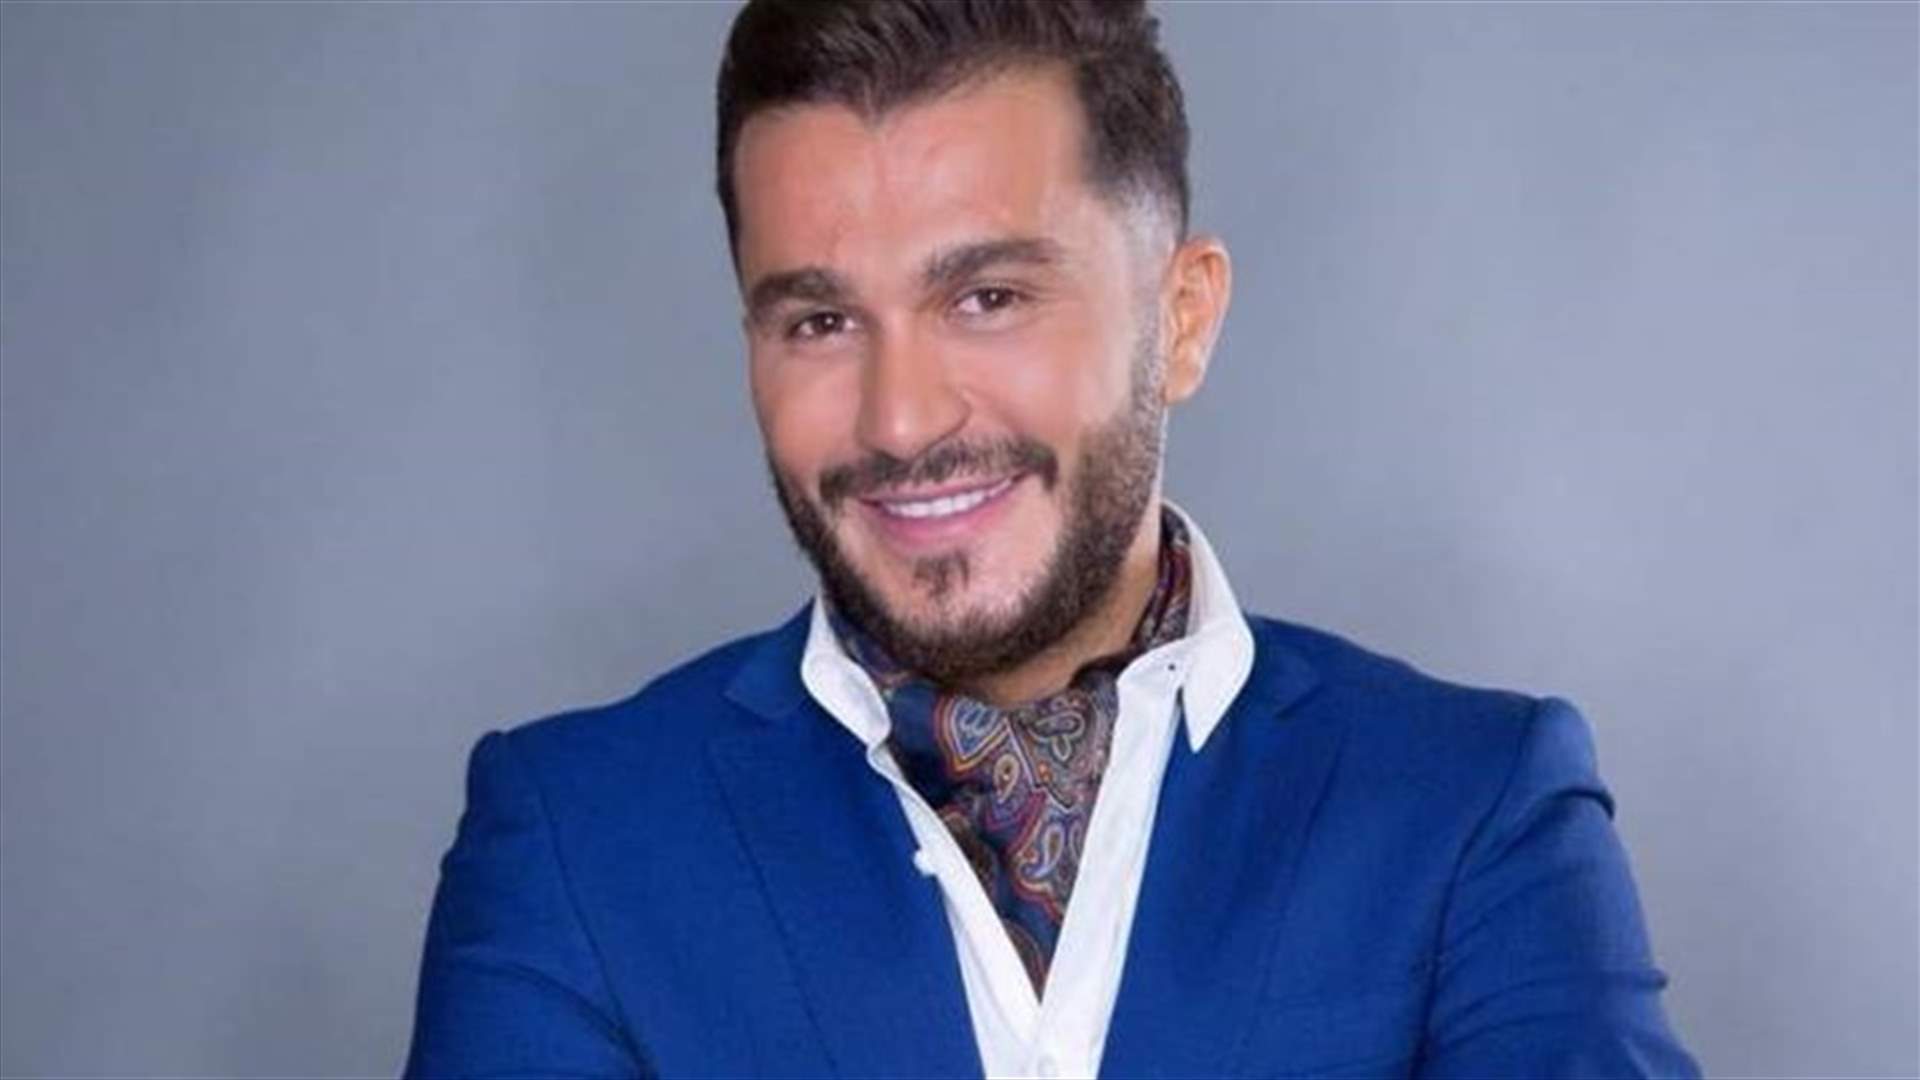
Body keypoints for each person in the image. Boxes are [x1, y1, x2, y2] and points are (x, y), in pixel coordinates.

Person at [405, 2, 1699, 1076]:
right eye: (819, 322)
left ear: (1180, 320)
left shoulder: (1474, 806)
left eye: (987, 297)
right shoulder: (575, 839)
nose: (899, 420)